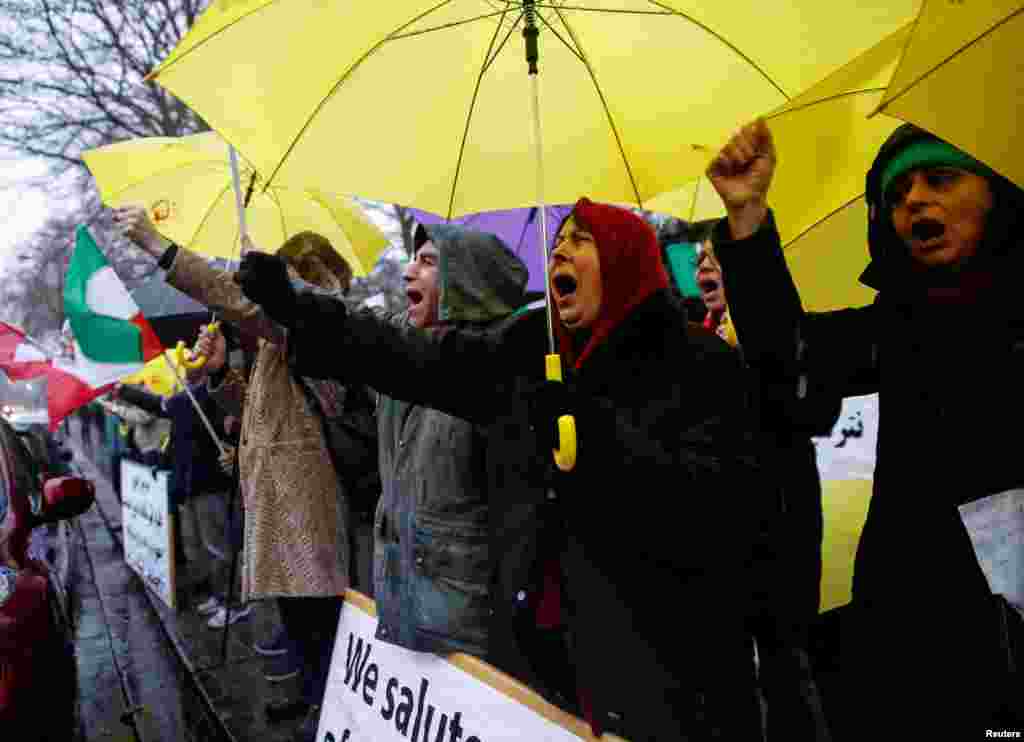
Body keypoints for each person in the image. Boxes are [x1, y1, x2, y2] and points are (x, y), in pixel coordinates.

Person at [237, 197, 766, 741]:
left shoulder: (703, 366)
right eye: (558, 241)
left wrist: (597, 435)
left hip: (669, 683)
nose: (560, 248)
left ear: (625, 260)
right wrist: (297, 305)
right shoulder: (530, 349)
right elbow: (408, 355)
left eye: (580, 241)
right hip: (554, 667)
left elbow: (721, 518)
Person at [705, 119, 1024, 738]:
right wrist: (746, 219)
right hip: (904, 636)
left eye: (940, 178)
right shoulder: (898, 324)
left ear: (995, 192)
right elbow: (786, 353)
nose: (915, 201)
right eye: (897, 193)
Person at [115, 207, 360, 742]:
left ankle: (327, 719)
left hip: (308, 515)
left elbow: (240, 302)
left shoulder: (320, 324)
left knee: (322, 638)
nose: (287, 283)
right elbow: (263, 412)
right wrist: (224, 372)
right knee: (303, 636)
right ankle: (317, 710)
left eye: (296, 274)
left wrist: (162, 247)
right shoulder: (278, 342)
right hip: (281, 511)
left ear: (316, 280)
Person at [696, 232, 838, 741]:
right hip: (724, 534)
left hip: (784, 528)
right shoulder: (701, 338)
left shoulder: (786, 337)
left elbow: (818, 410)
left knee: (788, 668)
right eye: (698, 262)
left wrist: (754, 362)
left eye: (713, 257)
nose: (702, 269)